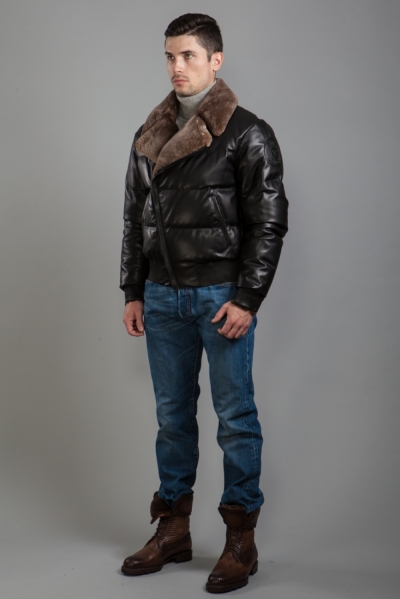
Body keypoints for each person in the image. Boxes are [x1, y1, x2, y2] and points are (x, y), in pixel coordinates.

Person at [119, 13, 288, 594]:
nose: (177, 66)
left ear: (216, 60)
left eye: (188, 55)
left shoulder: (247, 132)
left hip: (221, 298)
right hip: (161, 296)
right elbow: (134, 219)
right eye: (170, 56)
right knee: (172, 418)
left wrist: (248, 297)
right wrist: (133, 289)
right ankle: (173, 530)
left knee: (235, 419)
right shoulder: (149, 133)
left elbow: (268, 223)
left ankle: (241, 540)